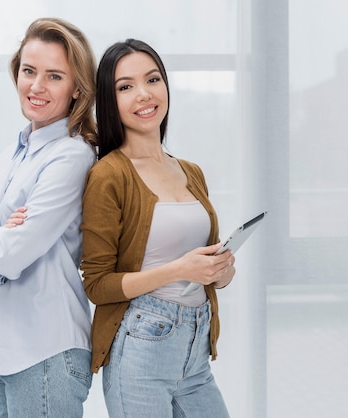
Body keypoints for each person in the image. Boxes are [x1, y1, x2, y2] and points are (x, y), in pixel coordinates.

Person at [80, 39, 235, 417]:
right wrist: (180, 269)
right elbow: (97, 285)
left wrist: (222, 272)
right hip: (140, 350)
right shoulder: (109, 175)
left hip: (195, 353)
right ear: (109, 100)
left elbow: (205, 266)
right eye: (125, 86)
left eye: (152, 79)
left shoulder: (190, 171)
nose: (144, 94)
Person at [0, 17, 97, 418]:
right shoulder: (11, 155)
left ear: (77, 90)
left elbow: (7, 255)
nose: (36, 86)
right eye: (29, 71)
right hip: (0, 351)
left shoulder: (71, 156)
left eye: (54, 76)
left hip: (45, 353)